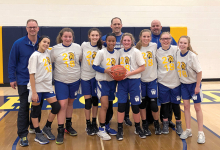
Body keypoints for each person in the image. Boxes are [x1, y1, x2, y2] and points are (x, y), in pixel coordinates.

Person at [8, 19, 43, 146]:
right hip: (23, 80)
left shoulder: (42, 42)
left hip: (39, 81)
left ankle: (34, 127)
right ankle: (23, 134)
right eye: (30, 27)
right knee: (24, 107)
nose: (32, 29)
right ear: (26, 28)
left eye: (34, 27)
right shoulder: (18, 43)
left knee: (37, 105)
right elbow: (12, 61)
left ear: (38, 28)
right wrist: (12, 78)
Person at [50, 28, 82, 144]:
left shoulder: (78, 48)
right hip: (60, 81)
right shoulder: (55, 49)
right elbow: (49, 62)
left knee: (70, 103)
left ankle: (68, 126)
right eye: (65, 37)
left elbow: (82, 60)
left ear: (72, 37)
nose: (68, 39)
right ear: (61, 37)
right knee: (62, 105)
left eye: (70, 37)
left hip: (75, 80)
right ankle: (60, 130)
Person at [28, 36, 60, 144]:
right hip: (37, 87)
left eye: (48, 42)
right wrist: (34, 92)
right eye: (44, 42)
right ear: (39, 42)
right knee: (36, 110)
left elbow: (57, 48)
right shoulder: (34, 56)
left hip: (47, 87)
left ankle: (47, 127)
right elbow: (31, 75)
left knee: (56, 106)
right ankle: (37, 133)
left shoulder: (47, 53)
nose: (46, 44)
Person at [102, 17, 132, 127]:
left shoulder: (125, 37)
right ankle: (108, 117)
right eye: (115, 24)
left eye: (118, 24)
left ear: (121, 25)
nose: (117, 26)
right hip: (112, 72)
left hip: (124, 72)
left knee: (125, 95)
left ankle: (126, 116)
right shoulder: (105, 38)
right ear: (111, 26)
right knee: (110, 96)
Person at [116, 33, 146, 140]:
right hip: (122, 82)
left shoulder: (136, 52)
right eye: (124, 40)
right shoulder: (119, 52)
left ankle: (138, 127)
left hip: (134, 81)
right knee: (121, 106)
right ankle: (120, 129)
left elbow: (142, 67)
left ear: (132, 41)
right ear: (122, 42)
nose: (126, 42)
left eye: (128, 40)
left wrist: (130, 73)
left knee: (135, 106)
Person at [177, 36, 205, 144]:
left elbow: (199, 72)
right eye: (181, 43)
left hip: (193, 85)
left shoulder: (192, 56)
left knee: (197, 108)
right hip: (184, 84)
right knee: (186, 107)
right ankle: (188, 130)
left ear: (188, 44)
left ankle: (201, 133)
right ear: (178, 44)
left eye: (185, 43)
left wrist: (197, 86)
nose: (182, 45)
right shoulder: (177, 54)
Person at [92, 33, 120, 140]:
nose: (111, 43)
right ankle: (101, 129)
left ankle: (106, 125)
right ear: (106, 41)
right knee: (104, 106)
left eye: (113, 41)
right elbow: (94, 65)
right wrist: (105, 70)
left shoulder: (117, 53)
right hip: (102, 81)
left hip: (112, 82)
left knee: (109, 105)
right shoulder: (101, 52)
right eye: (109, 41)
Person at [150, 19, 176, 128]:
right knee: (150, 97)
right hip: (151, 72)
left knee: (167, 99)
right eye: (153, 26)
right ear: (151, 28)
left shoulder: (170, 39)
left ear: (161, 27)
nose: (155, 27)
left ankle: (167, 119)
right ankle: (151, 117)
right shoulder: (147, 38)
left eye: (157, 26)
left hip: (166, 73)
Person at [156, 32, 183, 135]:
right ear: (160, 40)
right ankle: (165, 123)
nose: (165, 40)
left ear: (171, 40)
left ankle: (179, 124)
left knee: (176, 105)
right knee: (164, 105)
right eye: (163, 39)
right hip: (163, 82)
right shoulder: (157, 52)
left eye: (167, 38)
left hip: (176, 82)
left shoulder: (176, 49)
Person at [136, 29, 161, 135]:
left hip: (152, 80)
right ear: (140, 37)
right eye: (144, 36)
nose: (146, 39)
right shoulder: (136, 49)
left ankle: (156, 124)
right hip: (141, 81)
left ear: (151, 38)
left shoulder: (154, 46)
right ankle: (145, 124)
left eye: (148, 37)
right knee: (142, 105)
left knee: (154, 105)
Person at [81, 28, 102, 135]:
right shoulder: (84, 45)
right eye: (92, 35)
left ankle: (94, 121)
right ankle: (88, 123)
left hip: (96, 77)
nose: (94, 37)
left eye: (96, 35)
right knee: (87, 101)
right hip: (85, 76)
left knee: (95, 100)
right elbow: (80, 58)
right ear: (89, 36)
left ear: (99, 36)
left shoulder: (101, 47)